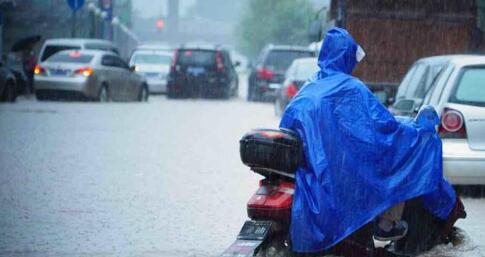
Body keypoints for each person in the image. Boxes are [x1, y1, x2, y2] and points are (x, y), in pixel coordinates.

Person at [279, 28, 456, 253]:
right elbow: (384, 127)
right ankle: (386, 224)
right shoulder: (351, 89)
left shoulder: (307, 88)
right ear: (346, 57)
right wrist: (417, 132)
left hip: (317, 173)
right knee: (397, 165)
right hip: (341, 176)